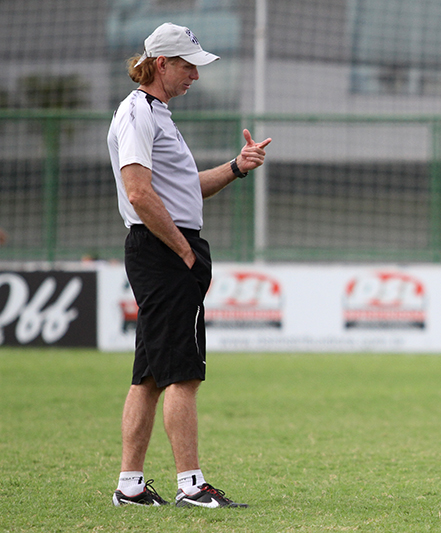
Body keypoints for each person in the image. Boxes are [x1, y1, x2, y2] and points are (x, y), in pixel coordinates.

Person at [107, 22, 271, 508]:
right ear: (161, 63)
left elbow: (182, 189)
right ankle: (191, 486)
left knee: (151, 375)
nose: (194, 76)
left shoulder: (155, 113)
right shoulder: (139, 111)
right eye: (187, 65)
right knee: (183, 372)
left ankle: (131, 486)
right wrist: (182, 250)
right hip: (163, 250)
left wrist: (237, 167)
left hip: (160, 247)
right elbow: (139, 192)